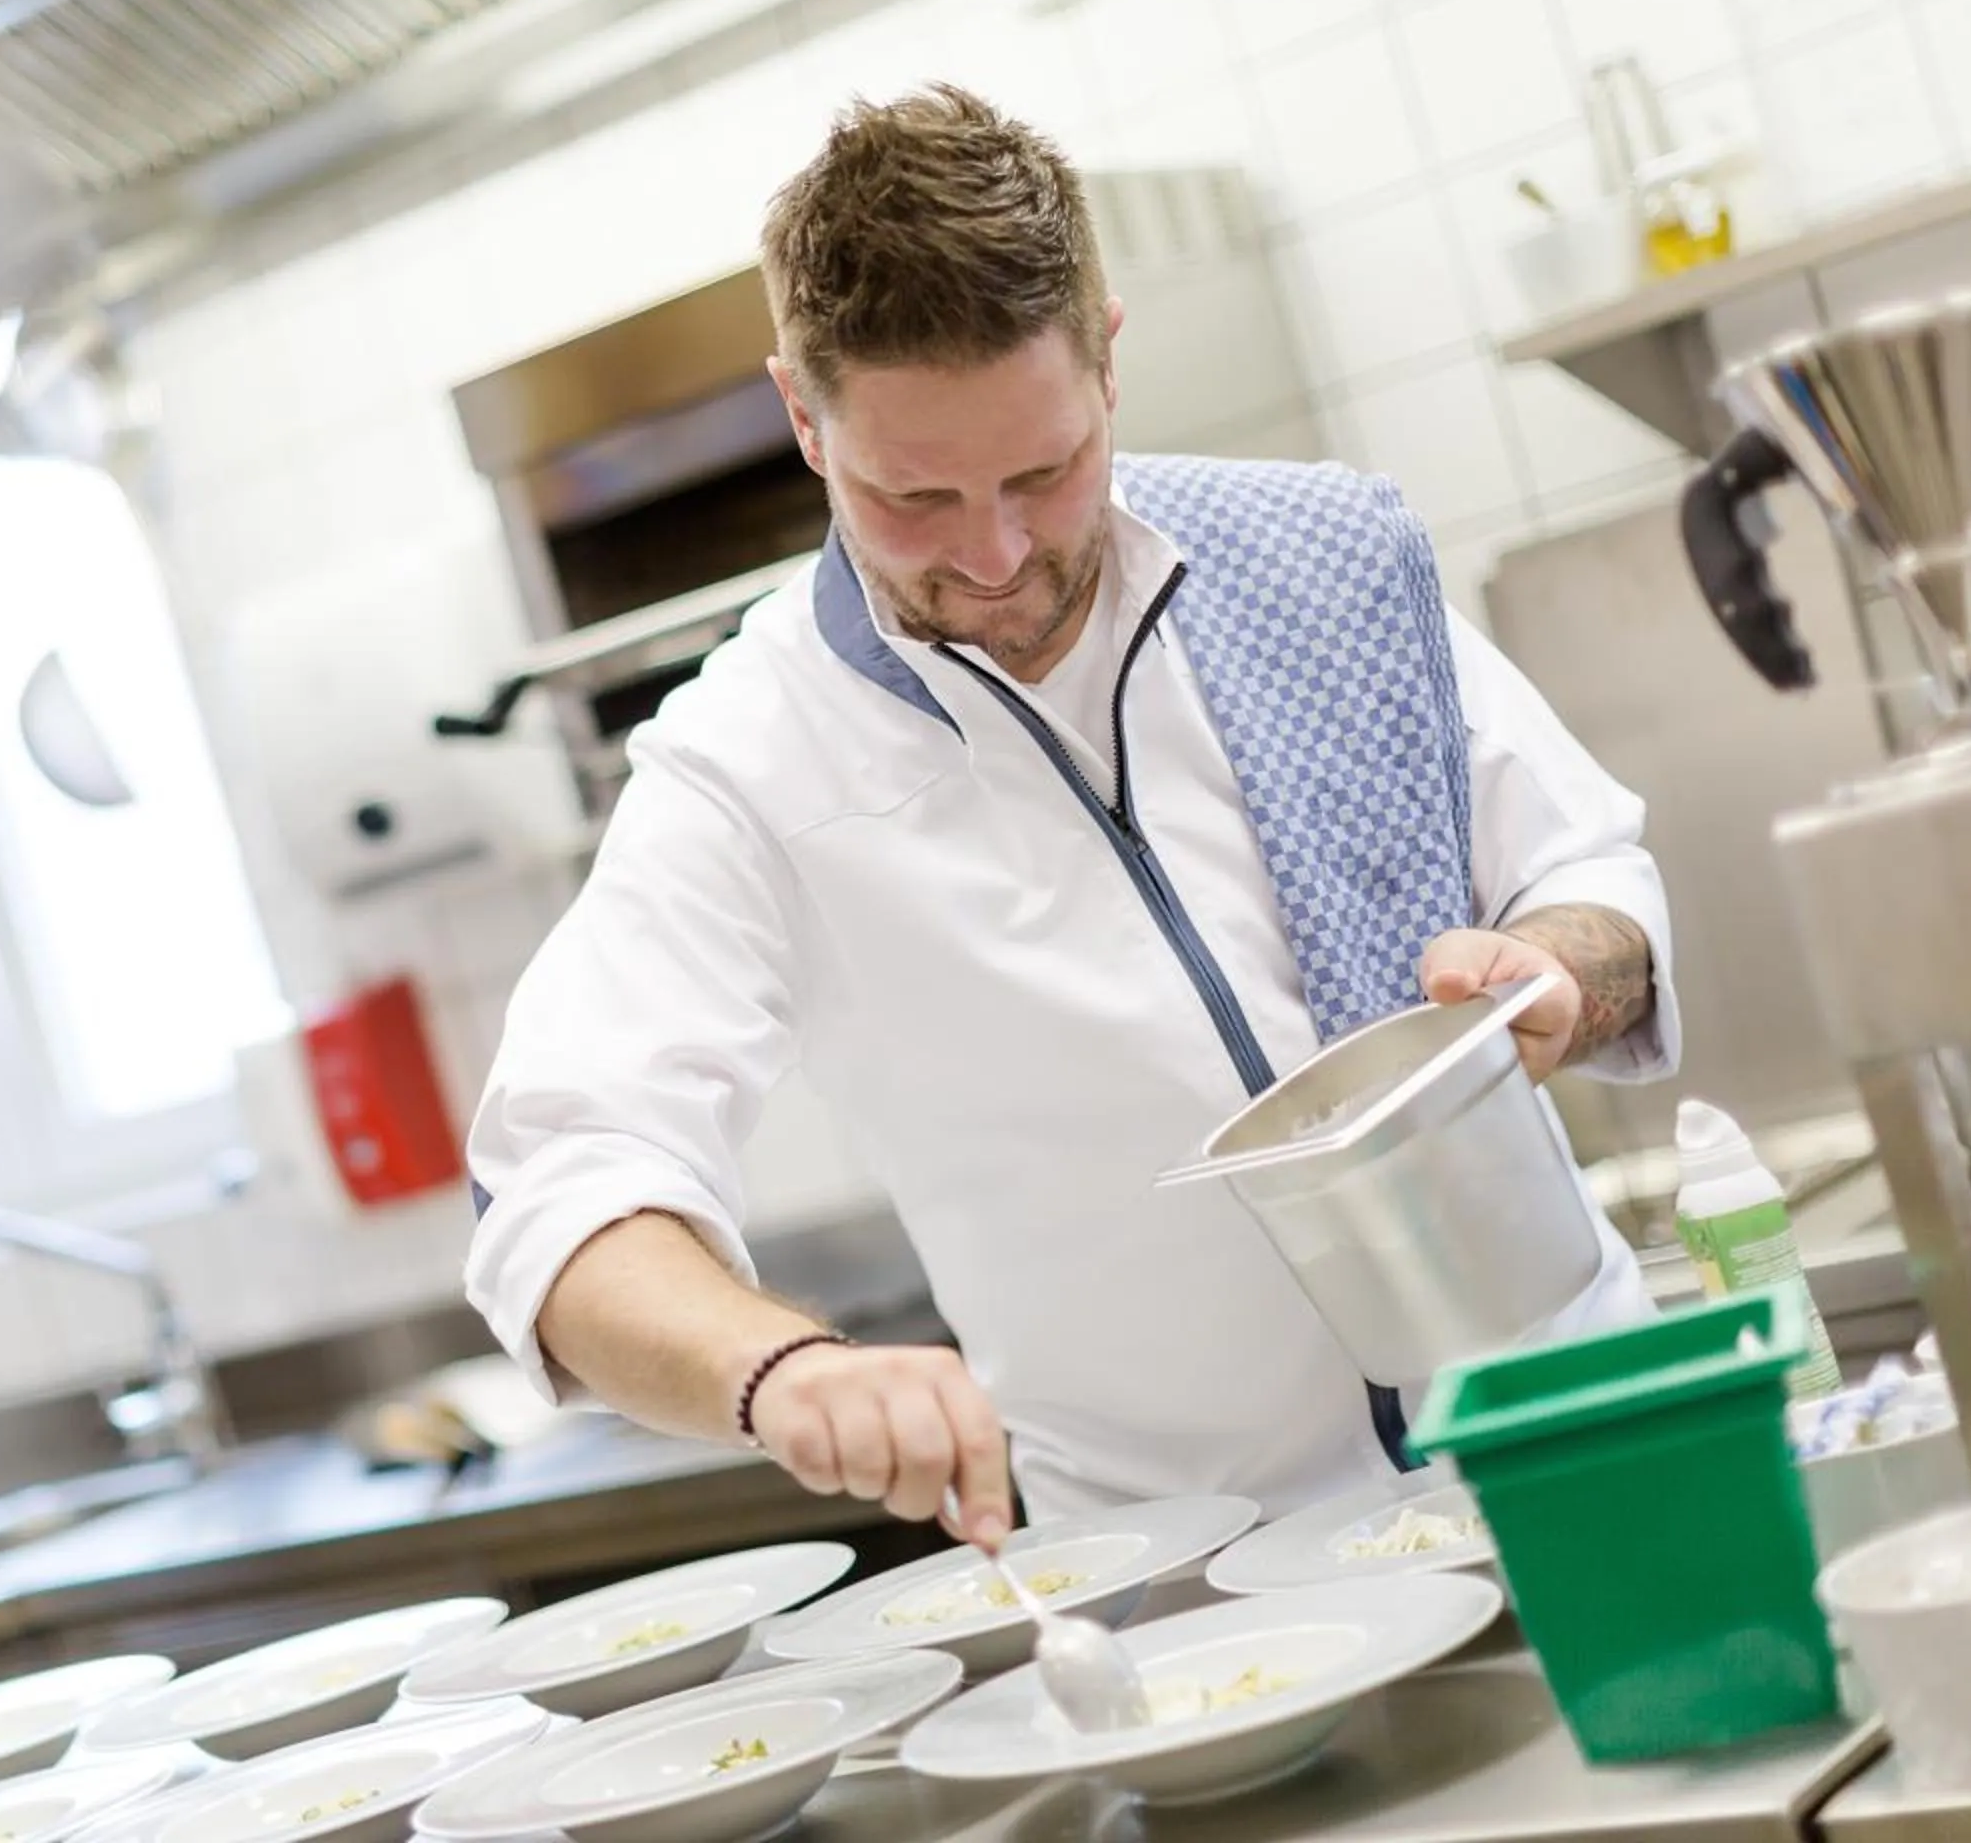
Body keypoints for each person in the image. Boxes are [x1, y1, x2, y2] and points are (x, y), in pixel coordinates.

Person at [461, 85, 1673, 1550]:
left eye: (1044, 471)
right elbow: (562, 1182)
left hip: (1596, 1435)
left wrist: (1558, 969)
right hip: (1221, 1578)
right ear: (802, 419)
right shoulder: (745, 760)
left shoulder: (1324, 558)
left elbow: (1590, 873)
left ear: (1106, 357)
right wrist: (772, 1366)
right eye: (914, 497)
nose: (996, 554)